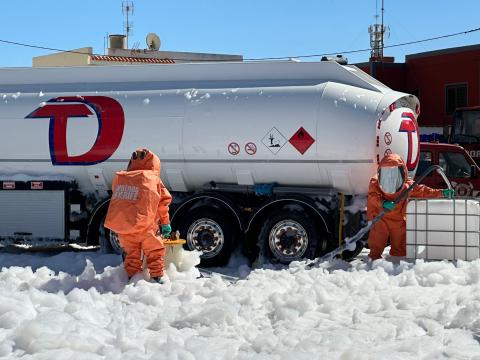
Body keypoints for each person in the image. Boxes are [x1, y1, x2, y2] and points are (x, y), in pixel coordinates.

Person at [367, 153, 454, 261]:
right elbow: (372, 196)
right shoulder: (375, 182)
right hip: (381, 217)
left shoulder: (408, 185)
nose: (391, 177)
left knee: (400, 249)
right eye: (387, 173)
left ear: (402, 172)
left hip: (398, 220)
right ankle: (371, 267)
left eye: (394, 173)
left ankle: (396, 267)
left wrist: (441, 192)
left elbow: (424, 191)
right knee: (376, 243)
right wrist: (383, 203)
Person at [104, 148, 172, 283]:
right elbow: (163, 203)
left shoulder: (121, 178)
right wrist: (165, 224)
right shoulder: (153, 180)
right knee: (155, 252)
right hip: (147, 227)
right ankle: (157, 277)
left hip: (126, 227)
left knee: (131, 255)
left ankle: (133, 278)